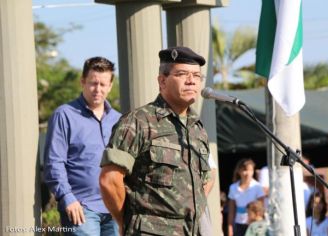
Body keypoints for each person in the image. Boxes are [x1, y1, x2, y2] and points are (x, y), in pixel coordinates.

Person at [99, 46, 211, 235]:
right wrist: (125, 222)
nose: (191, 81)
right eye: (182, 74)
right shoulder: (138, 121)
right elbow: (110, 180)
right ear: (162, 81)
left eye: (197, 76)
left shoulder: (197, 129)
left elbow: (207, 178)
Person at [44, 57, 121, 235]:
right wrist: (67, 198)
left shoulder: (118, 120)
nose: (98, 89)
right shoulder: (64, 115)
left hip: (115, 207)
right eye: (93, 83)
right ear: (82, 82)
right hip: (81, 208)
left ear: (110, 85)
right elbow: (54, 162)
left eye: (103, 84)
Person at [227, 158, 265, 236]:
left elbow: (261, 210)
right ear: (239, 171)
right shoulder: (233, 188)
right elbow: (231, 212)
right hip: (239, 227)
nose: (248, 173)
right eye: (245, 170)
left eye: (251, 170)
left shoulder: (258, 186)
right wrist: (230, 231)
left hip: (254, 226)